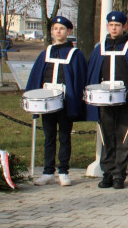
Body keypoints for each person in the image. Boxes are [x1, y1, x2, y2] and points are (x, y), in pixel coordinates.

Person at [86, 11, 128, 189]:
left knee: (123, 139)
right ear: (107, 26)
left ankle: (119, 174)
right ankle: (107, 173)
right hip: (104, 103)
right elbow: (93, 73)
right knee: (106, 138)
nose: (114, 28)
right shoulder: (100, 48)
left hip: (126, 103)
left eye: (117, 25)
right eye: (111, 25)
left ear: (124, 26)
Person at [26, 15, 87, 186]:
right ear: (52, 31)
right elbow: (37, 76)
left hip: (66, 101)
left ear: (68, 31)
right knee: (49, 137)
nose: (58, 32)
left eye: (62, 29)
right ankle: (48, 172)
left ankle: (63, 171)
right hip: (47, 101)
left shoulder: (75, 54)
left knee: (64, 137)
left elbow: (80, 78)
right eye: (55, 29)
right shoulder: (46, 53)